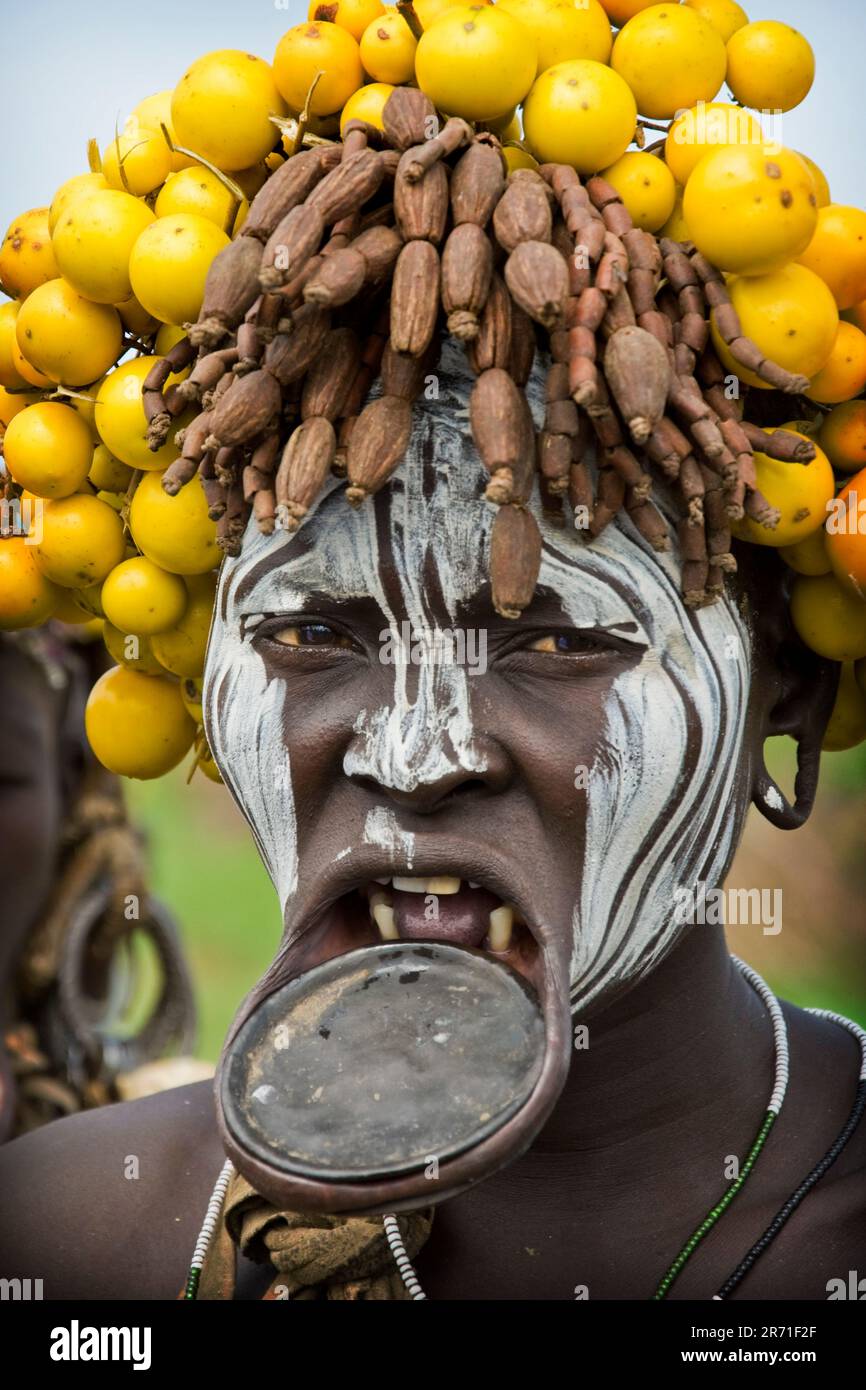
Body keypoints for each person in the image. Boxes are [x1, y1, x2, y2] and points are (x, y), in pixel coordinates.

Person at [0, 336, 863, 1301]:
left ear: (788, 684)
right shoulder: (65, 1236)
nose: (415, 757)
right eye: (310, 634)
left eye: (562, 640)